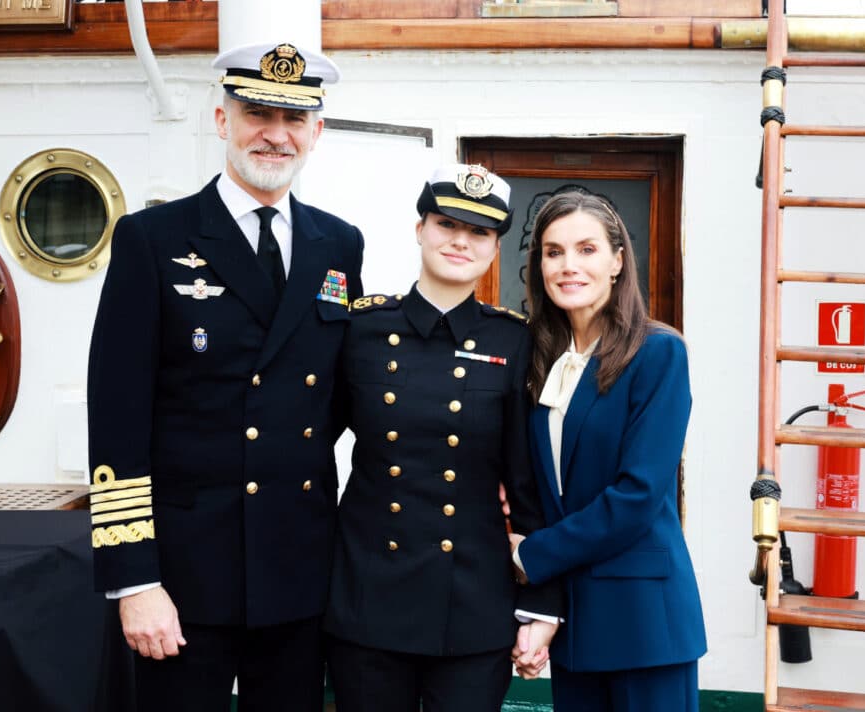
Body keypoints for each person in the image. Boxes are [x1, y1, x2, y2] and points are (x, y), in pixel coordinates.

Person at [86, 41, 364, 712]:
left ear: (317, 131)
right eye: (257, 114)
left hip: (298, 570)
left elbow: (342, 396)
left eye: (294, 120)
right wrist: (133, 581)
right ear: (221, 121)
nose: (275, 135)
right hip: (182, 576)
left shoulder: (340, 243)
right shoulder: (152, 239)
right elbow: (116, 416)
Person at [323, 164, 561, 712]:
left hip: (473, 602)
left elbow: (529, 484)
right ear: (419, 229)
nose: (460, 240)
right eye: (446, 223)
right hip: (368, 596)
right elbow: (307, 447)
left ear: (496, 246)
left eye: (479, 231)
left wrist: (540, 604)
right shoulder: (360, 329)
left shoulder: (515, 340)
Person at [509, 189, 706, 711]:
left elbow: (637, 495)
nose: (568, 266)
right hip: (576, 623)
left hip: (644, 621)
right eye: (553, 252)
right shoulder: (536, 356)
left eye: (587, 250)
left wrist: (531, 556)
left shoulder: (659, 352)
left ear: (618, 261)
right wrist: (540, 610)